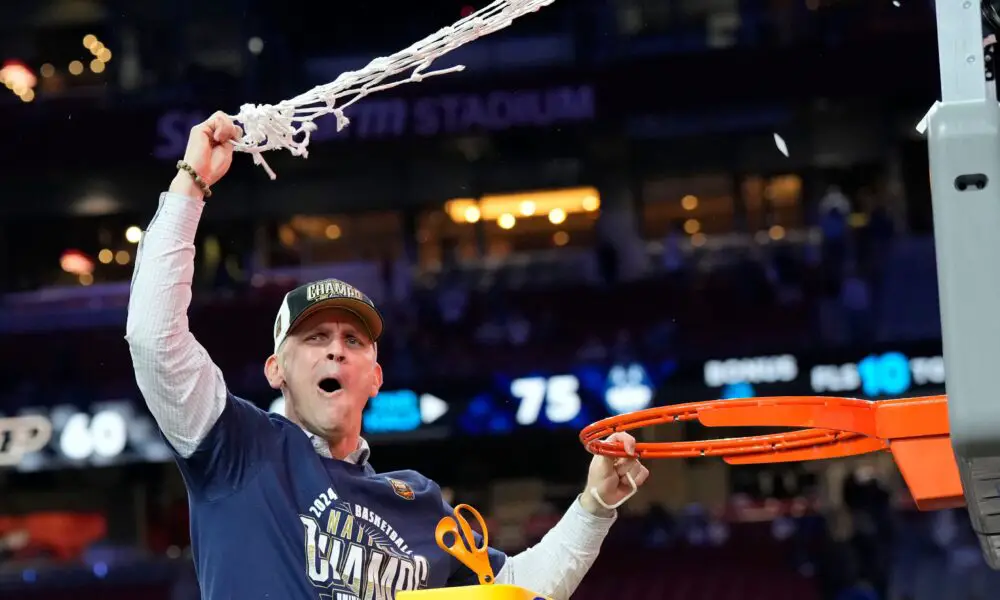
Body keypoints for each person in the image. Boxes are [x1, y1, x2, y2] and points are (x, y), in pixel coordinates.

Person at [126, 112, 650, 600]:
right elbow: (153, 338)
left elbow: (518, 589)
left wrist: (595, 506)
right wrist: (191, 183)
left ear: (375, 377)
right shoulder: (236, 445)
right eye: (314, 338)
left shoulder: (417, 501)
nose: (335, 349)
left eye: (353, 341)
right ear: (275, 370)